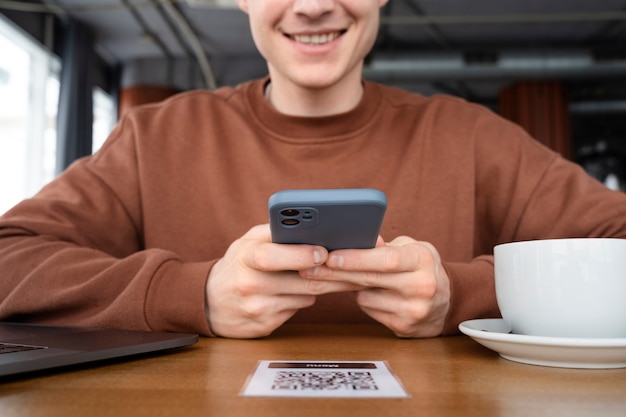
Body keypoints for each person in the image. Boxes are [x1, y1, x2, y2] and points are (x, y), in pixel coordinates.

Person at [1, 0, 626, 339]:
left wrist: (458, 297)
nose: (314, 6)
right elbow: (10, 257)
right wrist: (192, 295)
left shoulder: (473, 136)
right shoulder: (154, 135)